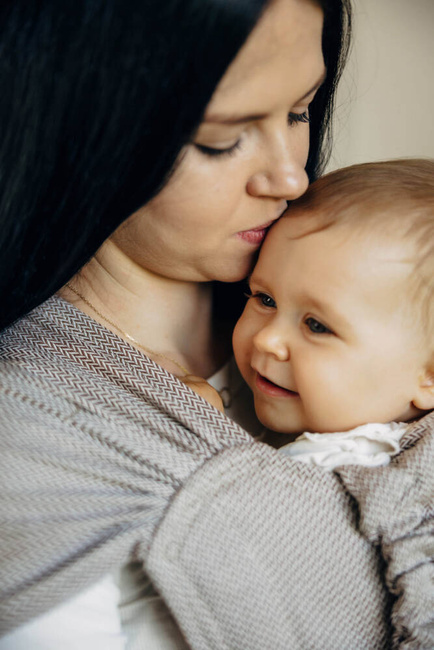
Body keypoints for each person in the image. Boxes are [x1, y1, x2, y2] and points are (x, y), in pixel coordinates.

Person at [0, 0, 431, 648]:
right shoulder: (34, 444)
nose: (289, 177)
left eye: (299, 111)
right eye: (221, 139)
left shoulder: (381, 304)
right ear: (82, 124)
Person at [233, 159, 434, 467]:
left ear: (430, 378)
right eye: (266, 299)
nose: (267, 339)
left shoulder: (327, 468)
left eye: (316, 325)